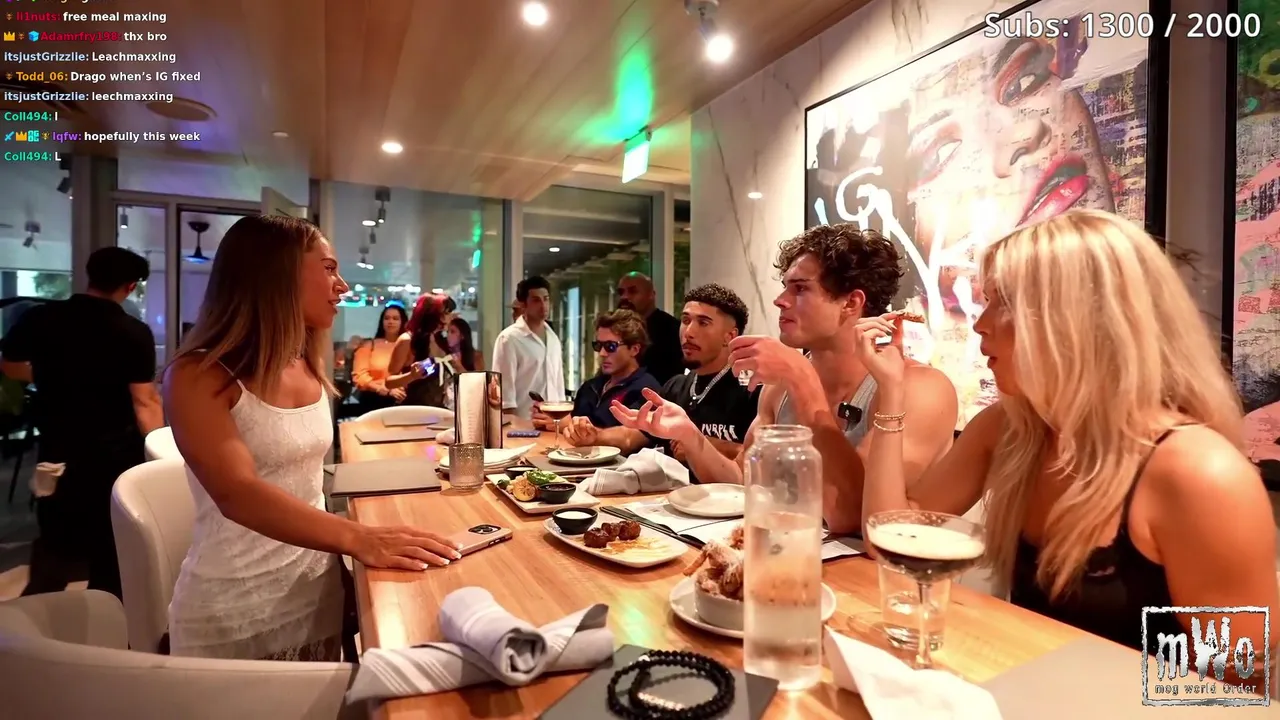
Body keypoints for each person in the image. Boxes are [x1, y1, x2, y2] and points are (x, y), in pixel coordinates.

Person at [860, 210, 1279, 662]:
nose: (981, 324)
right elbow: (894, 539)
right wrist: (891, 391)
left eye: (1004, 303)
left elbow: (1236, 675)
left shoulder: (1198, 472)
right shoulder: (1010, 428)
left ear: (1082, 321)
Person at [164, 215, 462, 661]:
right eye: (328, 269)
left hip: (317, 590)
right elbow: (238, 493)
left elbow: (305, 490)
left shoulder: (305, 362)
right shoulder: (198, 375)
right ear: (275, 274)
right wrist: (360, 538)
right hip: (237, 609)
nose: (342, 285)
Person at [608, 224, 958, 534]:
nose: (779, 301)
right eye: (784, 288)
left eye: (800, 289)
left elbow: (850, 517)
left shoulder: (919, 389)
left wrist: (801, 378)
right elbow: (743, 480)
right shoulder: (778, 388)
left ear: (851, 303)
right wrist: (689, 434)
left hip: (871, 583)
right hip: (787, 560)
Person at [1, 247, 161, 598]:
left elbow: (9, 366)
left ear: (90, 275)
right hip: (113, 456)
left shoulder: (41, 318)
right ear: (130, 286)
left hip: (57, 451)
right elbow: (144, 401)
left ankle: (37, 620)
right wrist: (160, 452)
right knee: (111, 549)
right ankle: (106, 618)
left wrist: (49, 377)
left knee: (55, 543)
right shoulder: (132, 332)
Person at [563, 284, 759, 482]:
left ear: (730, 336)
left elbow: (760, 459)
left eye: (703, 323)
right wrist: (593, 436)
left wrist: (700, 444)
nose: (689, 332)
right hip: (671, 497)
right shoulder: (675, 386)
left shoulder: (753, 389)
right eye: (685, 320)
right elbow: (631, 437)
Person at [568, 310, 662, 429]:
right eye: (598, 345)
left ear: (634, 349)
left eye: (610, 346)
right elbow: (572, 424)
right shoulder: (590, 387)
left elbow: (631, 436)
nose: (602, 353)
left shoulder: (646, 391)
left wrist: (586, 432)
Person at [492, 276, 565, 420]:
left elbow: (558, 384)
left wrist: (561, 418)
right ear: (523, 304)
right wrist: (513, 426)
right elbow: (504, 392)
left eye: (546, 299)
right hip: (524, 423)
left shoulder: (553, 338)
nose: (543, 305)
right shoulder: (509, 339)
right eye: (536, 300)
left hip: (552, 422)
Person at [617, 272, 683, 384]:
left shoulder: (672, 329)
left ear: (651, 295)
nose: (624, 297)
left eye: (633, 291)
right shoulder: (615, 329)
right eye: (621, 292)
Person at [386, 294, 449, 408]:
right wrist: (411, 376)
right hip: (414, 408)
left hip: (439, 408)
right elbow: (389, 381)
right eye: (446, 313)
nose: (451, 316)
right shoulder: (407, 340)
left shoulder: (441, 339)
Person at [351, 304, 408, 413]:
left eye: (395, 318)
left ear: (403, 322)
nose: (390, 322)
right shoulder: (369, 345)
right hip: (374, 400)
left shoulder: (409, 346)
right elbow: (359, 376)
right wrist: (382, 388)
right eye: (387, 318)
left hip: (403, 400)